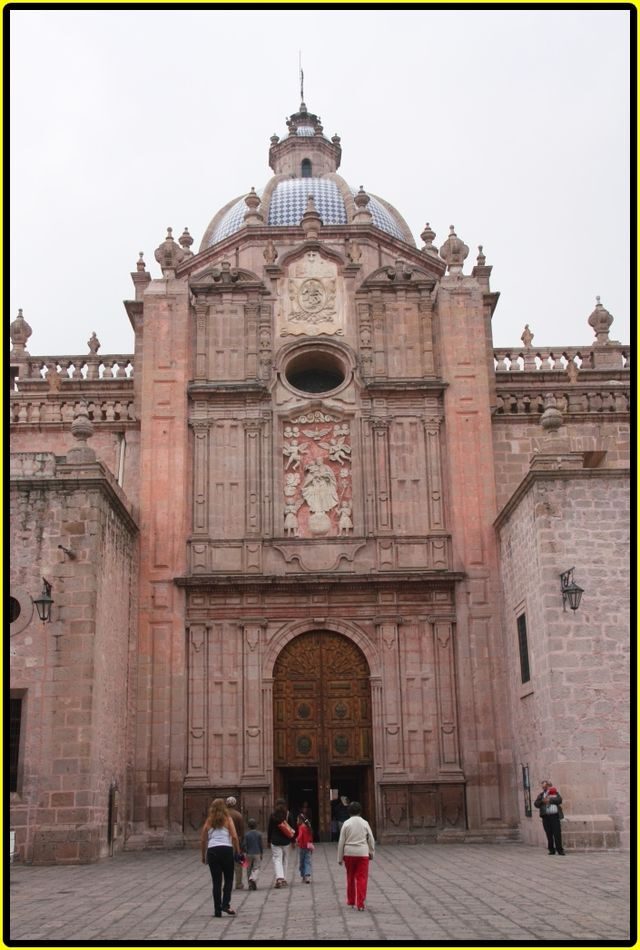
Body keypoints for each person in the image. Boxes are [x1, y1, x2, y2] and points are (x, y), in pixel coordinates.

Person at [200, 798, 240, 917]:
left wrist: (203, 855)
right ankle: (225, 904)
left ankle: (217, 910)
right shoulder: (228, 819)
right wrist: (238, 851)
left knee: (216, 882)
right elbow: (234, 836)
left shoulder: (209, 820)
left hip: (212, 851)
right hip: (226, 850)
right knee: (229, 879)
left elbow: (203, 839)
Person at [337, 801, 375, 911]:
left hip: (349, 853)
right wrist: (371, 852)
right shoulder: (365, 823)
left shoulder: (346, 823)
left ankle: (351, 901)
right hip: (362, 853)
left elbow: (341, 841)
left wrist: (339, 857)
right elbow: (371, 839)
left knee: (350, 877)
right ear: (360, 811)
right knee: (361, 878)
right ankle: (360, 904)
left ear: (349, 811)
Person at [267, 798, 295, 888]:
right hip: (286, 841)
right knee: (285, 860)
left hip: (275, 841)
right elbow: (293, 829)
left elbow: (269, 829)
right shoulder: (288, 814)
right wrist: (293, 841)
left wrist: (268, 840)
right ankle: (284, 878)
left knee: (277, 859)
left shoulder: (273, 815)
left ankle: (279, 878)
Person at [534, 780, 565, 855]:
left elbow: (559, 800)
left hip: (554, 816)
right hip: (546, 817)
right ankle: (551, 850)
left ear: (549, 786)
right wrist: (542, 801)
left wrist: (550, 800)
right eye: (543, 786)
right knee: (549, 833)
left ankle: (560, 850)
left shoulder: (555, 793)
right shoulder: (541, 795)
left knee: (557, 833)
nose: (543, 787)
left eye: (545, 786)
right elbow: (536, 804)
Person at [225, 796, 246, 889]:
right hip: (236, 841)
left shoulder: (223, 815)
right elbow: (242, 830)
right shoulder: (238, 815)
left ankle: (226, 883)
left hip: (225, 841)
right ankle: (238, 883)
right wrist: (242, 844)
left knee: (225, 864)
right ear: (235, 804)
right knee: (238, 863)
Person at [242, 817, 263, 890]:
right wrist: (261, 853)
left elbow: (244, 845)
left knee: (248, 869)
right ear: (256, 825)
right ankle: (253, 878)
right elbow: (260, 845)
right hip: (257, 853)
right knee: (256, 867)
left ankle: (250, 884)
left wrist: (245, 851)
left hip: (248, 854)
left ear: (248, 826)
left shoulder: (246, 834)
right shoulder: (259, 834)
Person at [296, 813, 314, 883]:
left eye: (297, 819)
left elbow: (300, 835)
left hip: (302, 847)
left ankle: (304, 876)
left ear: (300, 820)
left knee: (302, 862)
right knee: (307, 861)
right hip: (308, 846)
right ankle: (307, 876)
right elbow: (311, 837)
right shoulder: (308, 826)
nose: (296, 820)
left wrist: (297, 840)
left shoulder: (301, 827)